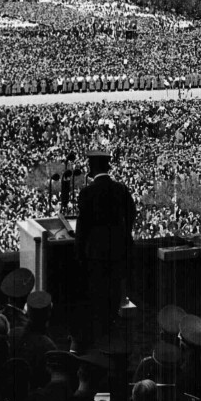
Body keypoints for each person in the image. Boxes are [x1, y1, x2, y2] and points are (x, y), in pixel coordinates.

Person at [75, 148, 137, 352]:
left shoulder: (87, 193)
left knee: (97, 290)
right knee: (114, 288)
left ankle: (100, 331)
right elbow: (132, 213)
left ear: (91, 169)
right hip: (117, 249)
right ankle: (112, 326)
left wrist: (80, 251)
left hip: (95, 252)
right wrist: (123, 234)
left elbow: (82, 227)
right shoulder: (120, 189)